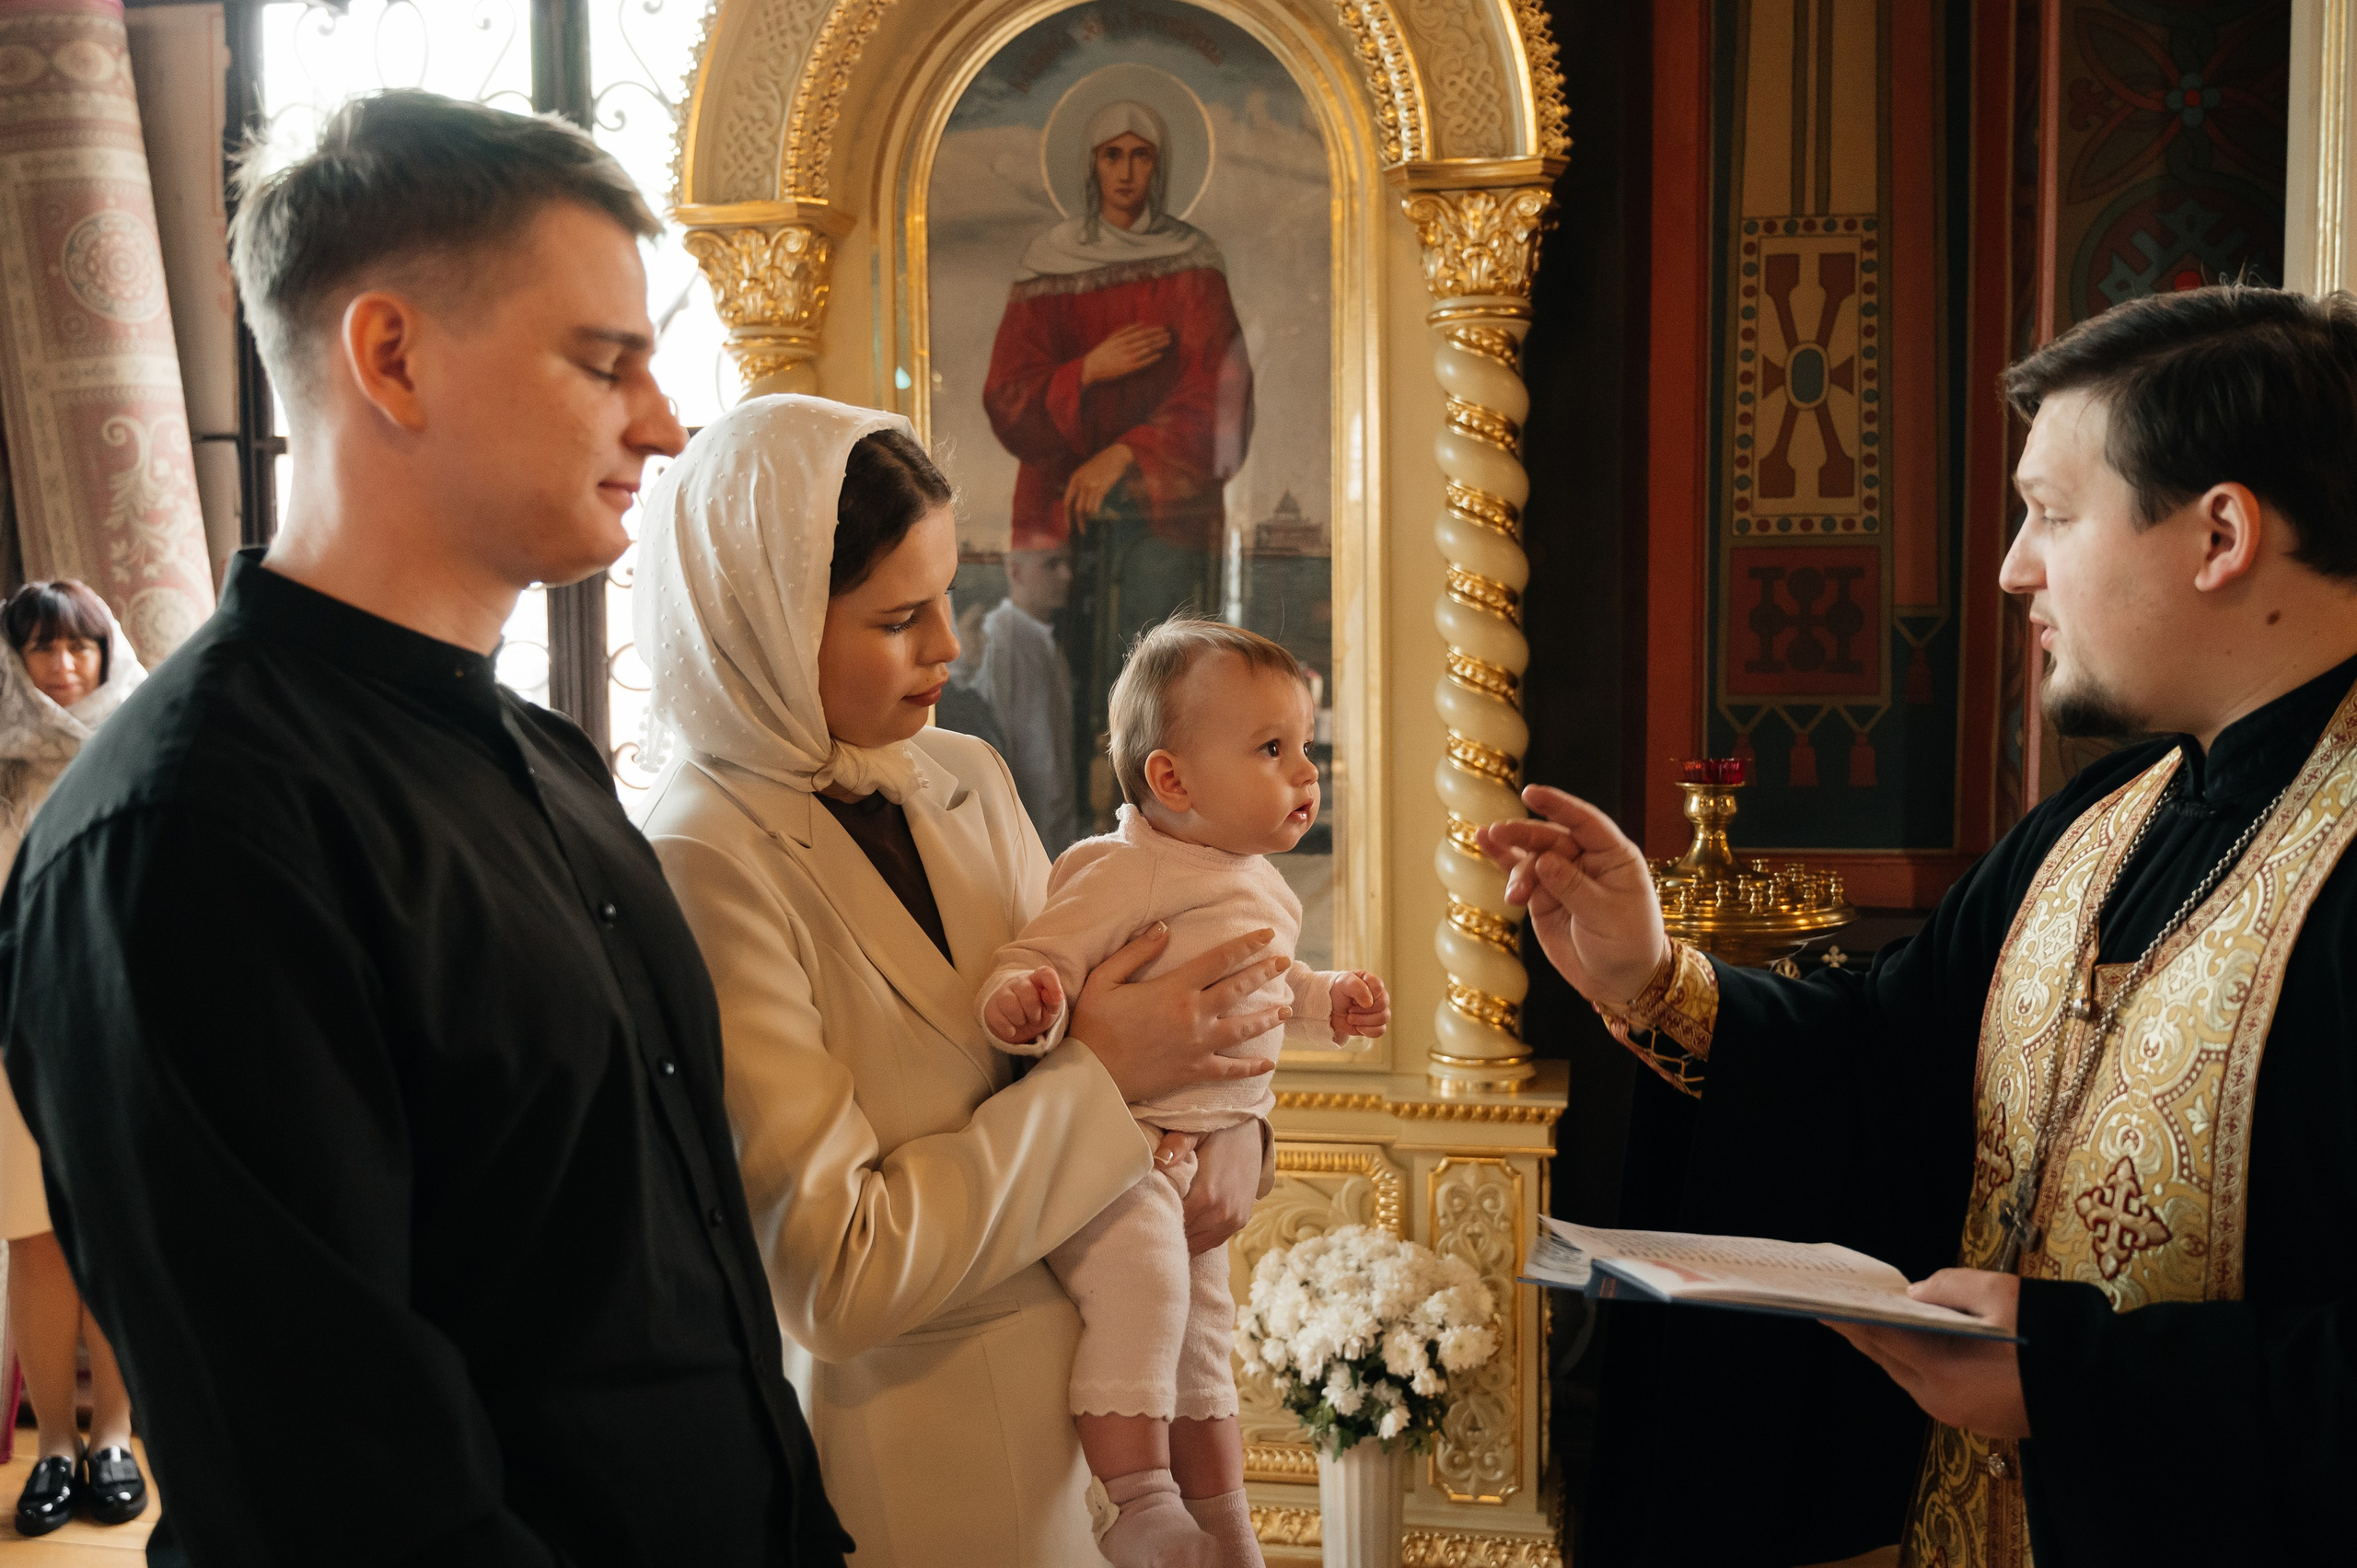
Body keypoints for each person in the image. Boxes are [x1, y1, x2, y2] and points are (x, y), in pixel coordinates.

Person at [0, 92, 846, 1566]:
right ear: (391, 355)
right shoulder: (185, 833)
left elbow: (658, 1273)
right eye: (605, 362)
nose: (663, 423)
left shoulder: (548, 758)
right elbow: (332, 1487)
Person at [1481, 283, 2357, 1567]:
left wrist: (2073, 1372)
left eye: (2052, 512)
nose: (2013, 567)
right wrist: (1654, 973)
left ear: (2219, 532)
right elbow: (1894, 1057)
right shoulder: (2108, 812)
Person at [634, 394, 1291, 1568]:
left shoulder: (960, 771)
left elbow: (1119, 985)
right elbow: (838, 1273)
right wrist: (1103, 1080)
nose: (950, 643)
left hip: (1100, 1445)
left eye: (949, 592)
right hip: (931, 1468)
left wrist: (1240, 1124)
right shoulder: (704, 854)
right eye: (899, 617)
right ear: (765, 617)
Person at [981, 617, 1389, 1568]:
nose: (1307, 772)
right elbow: (1041, 957)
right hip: (1118, 1156)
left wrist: (1327, 1000)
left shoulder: (1253, 881)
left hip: (1198, 1163)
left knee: (1206, 1344)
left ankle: (1224, 1521)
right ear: (1172, 780)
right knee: (1147, 1290)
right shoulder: (1123, 869)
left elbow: (1265, 979)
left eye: (1306, 745)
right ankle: (1138, 1501)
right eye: (1272, 748)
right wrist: (1026, 1001)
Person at [0, 580, 146, 1536]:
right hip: (11, 1032)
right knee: (37, 1240)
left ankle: (115, 1436)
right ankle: (54, 1441)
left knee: (120, 1237)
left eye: (80, 646)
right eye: (41, 648)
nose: (63, 666)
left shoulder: (146, 742)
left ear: (106, 652)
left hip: (118, 1029)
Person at [981, 544, 1081, 852]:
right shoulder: (999, 638)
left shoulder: (1043, 639)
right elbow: (996, 740)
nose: (1066, 575)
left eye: (1066, 563)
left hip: (1055, 816)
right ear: (1015, 571)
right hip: (1020, 821)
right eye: (1051, 564)